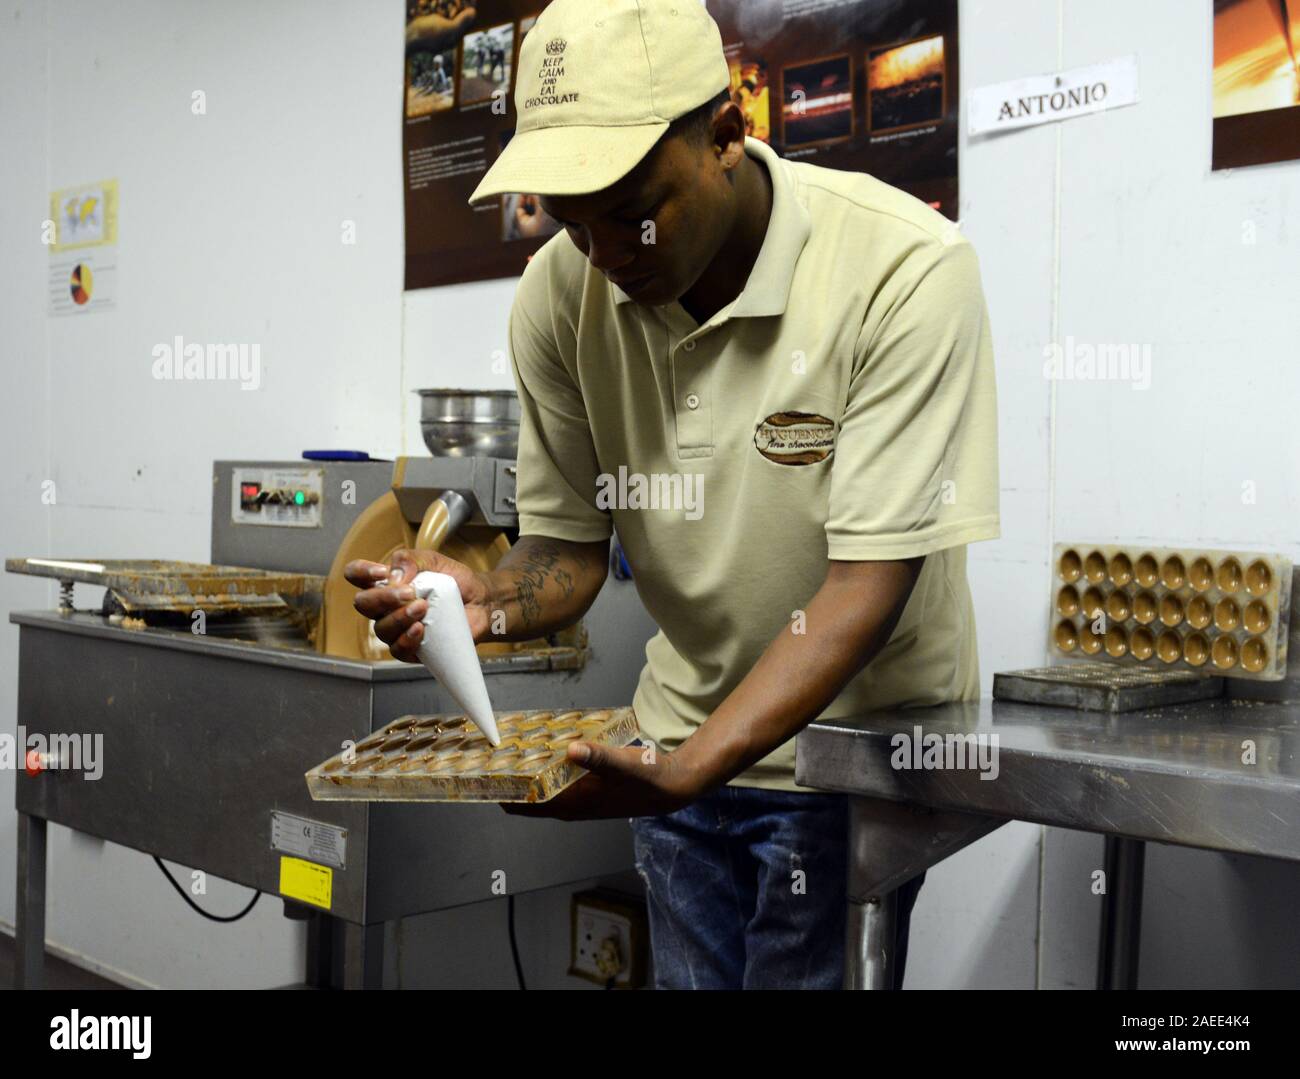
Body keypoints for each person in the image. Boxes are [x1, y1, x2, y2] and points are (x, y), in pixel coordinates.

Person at [348, 0, 999, 990]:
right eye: (573, 220)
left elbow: (868, 578)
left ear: (727, 131)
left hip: (843, 754)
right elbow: (565, 551)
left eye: (630, 209)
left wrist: (704, 759)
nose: (605, 252)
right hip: (671, 737)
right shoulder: (558, 296)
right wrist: (486, 599)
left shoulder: (902, 270)